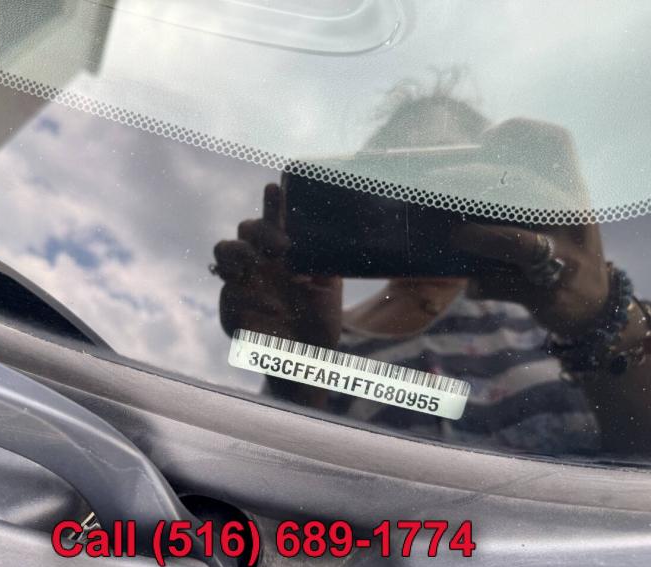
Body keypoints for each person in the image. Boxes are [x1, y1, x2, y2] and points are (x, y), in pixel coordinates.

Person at [212, 88, 651, 457]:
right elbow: (290, 503)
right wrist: (298, 377)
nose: (427, 198)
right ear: (362, 191)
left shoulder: (558, 318)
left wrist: (599, 319)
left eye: (453, 173)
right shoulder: (321, 337)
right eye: (402, 175)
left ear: (499, 186)